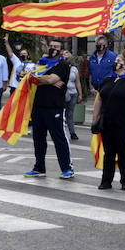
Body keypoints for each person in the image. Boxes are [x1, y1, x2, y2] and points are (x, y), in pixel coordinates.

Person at [91, 51, 125, 190]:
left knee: (122, 152)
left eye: (120, 60)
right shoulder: (107, 80)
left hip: (123, 122)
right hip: (107, 121)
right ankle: (106, 181)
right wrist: (94, 118)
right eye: (116, 60)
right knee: (108, 152)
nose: (116, 63)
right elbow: (99, 100)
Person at [23, 40, 75, 180]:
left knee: (59, 138)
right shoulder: (42, 63)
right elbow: (31, 78)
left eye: (56, 47)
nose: (53, 49)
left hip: (54, 107)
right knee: (38, 138)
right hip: (38, 106)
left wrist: (39, 78)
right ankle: (39, 168)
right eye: (51, 46)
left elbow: (50, 79)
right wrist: (40, 78)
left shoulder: (63, 64)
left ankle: (67, 168)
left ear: (61, 50)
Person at [64, 58, 82, 141]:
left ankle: (72, 133)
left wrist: (80, 94)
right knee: (61, 113)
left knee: (70, 114)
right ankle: (61, 132)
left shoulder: (74, 69)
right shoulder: (61, 67)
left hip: (73, 93)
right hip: (63, 93)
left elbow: (77, 82)